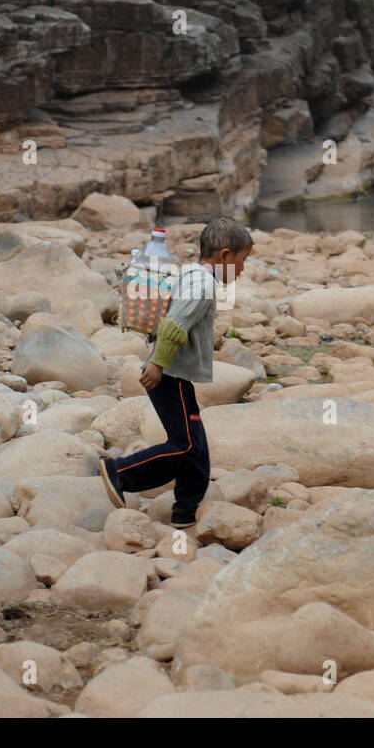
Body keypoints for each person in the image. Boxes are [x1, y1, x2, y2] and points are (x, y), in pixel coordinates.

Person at [99, 216, 254, 528]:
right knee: (184, 446)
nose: (242, 269)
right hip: (169, 376)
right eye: (242, 261)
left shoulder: (193, 273)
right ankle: (120, 472)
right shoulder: (203, 284)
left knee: (196, 445)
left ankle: (185, 511)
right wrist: (157, 365)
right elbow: (174, 326)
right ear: (224, 256)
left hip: (172, 374)